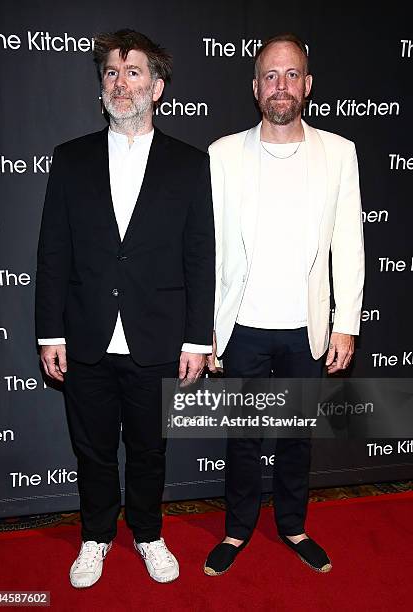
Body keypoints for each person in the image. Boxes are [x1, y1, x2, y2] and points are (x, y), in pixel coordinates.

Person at [35, 29, 215, 587]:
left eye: (133, 72)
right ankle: (95, 536)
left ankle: (148, 533)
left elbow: (198, 255)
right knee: (91, 450)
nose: (120, 82)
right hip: (85, 335)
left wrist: (196, 339)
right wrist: (48, 332)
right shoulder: (70, 159)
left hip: (156, 339)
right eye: (112, 72)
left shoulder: (188, 164)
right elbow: (52, 253)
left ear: (157, 88)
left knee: (148, 451)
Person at [204, 33, 364, 575]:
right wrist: (206, 330)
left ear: (308, 84)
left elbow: (349, 243)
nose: (280, 85)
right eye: (269, 76)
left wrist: (346, 325)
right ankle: (236, 531)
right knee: (243, 439)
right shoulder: (223, 154)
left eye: (290, 74)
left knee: (297, 438)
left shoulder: (340, 154)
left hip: (306, 327)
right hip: (242, 326)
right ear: (255, 88)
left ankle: (293, 526)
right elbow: (211, 249)